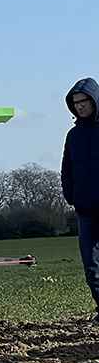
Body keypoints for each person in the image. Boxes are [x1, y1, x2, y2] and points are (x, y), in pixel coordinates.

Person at [61, 77, 99, 318]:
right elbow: (66, 168)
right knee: (91, 266)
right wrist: (70, 195)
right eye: (76, 103)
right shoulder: (73, 135)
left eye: (84, 101)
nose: (80, 106)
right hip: (85, 209)